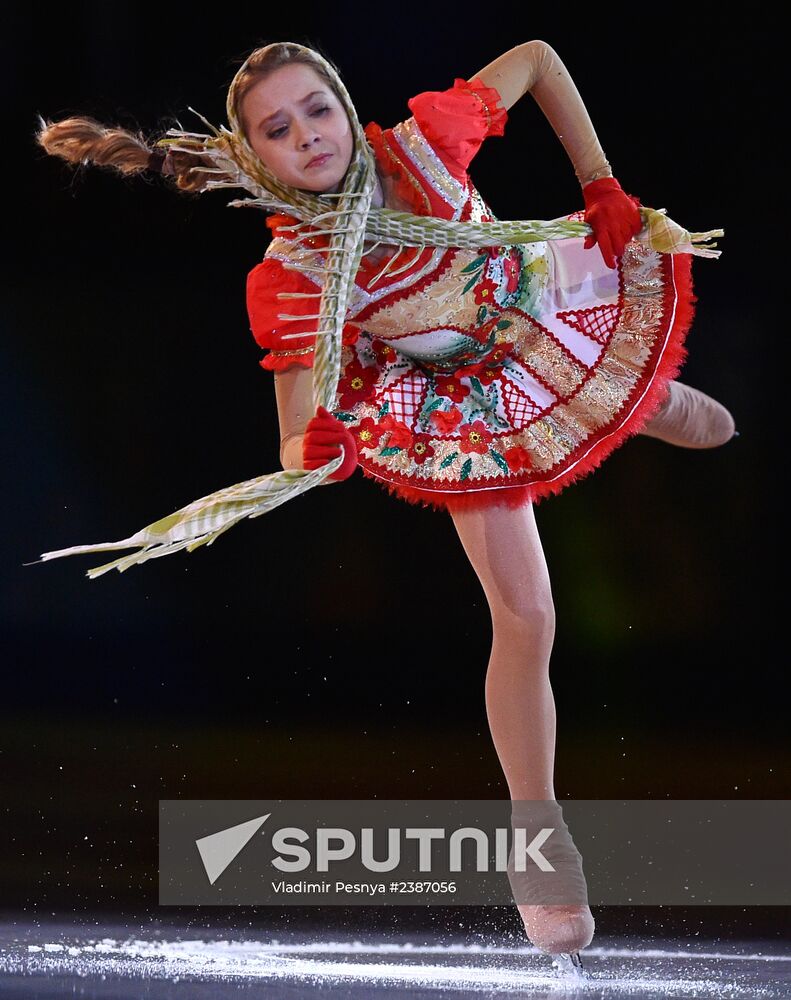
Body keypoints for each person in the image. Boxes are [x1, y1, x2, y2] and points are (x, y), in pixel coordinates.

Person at [35, 39, 735, 963]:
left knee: (708, 425)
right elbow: (294, 431)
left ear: (342, 103)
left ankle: (629, 400)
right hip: (462, 402)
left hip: (545, 315)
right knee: (526, 617)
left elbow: (536, 60)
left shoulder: (422, 148)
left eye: (316, 110)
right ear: (254, 158)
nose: (307, 136)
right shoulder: (291, 275)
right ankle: (541, 842)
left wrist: (598, 181)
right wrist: (312, 450)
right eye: (278, 130)